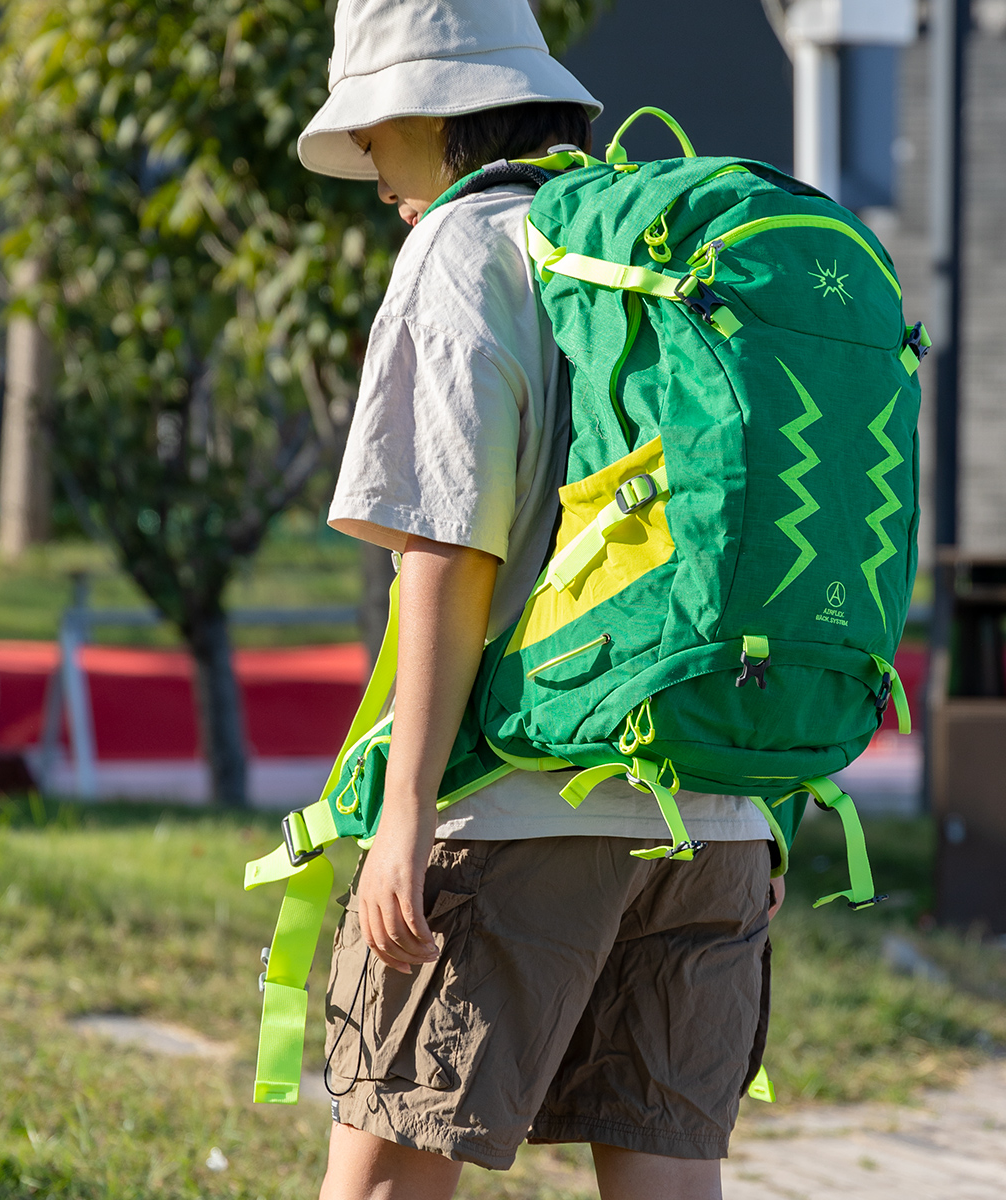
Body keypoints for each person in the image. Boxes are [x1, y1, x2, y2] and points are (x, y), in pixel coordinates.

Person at [298, 2, 784, 1197]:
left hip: (518, 808)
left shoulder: (463, 249)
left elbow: (447, 548)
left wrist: (402, 813)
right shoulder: (654, 245)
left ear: (426, 108)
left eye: (371, 139)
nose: (372, 174)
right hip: (711, 814)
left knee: (380, 1184)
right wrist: (759, 799)